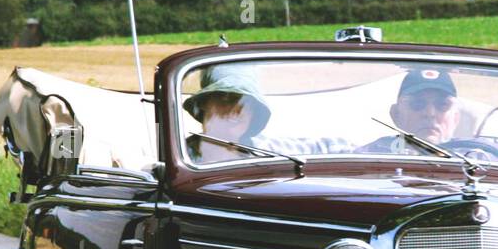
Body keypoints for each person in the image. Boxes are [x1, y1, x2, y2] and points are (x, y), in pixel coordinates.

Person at [184, 64, 351, 164]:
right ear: (204, 103)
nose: (237, 109)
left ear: (254, 112)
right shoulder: (181, 159)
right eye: (226, 98)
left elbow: (331, 147)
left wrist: (372, 150)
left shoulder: (267, 150)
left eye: (246, 102)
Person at [358, 67, 461, 154]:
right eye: (417, 104)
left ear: (456, 119)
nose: (430, 113)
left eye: (442, 105)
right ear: (396, 115)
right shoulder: (371, 154)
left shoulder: (471, 155)